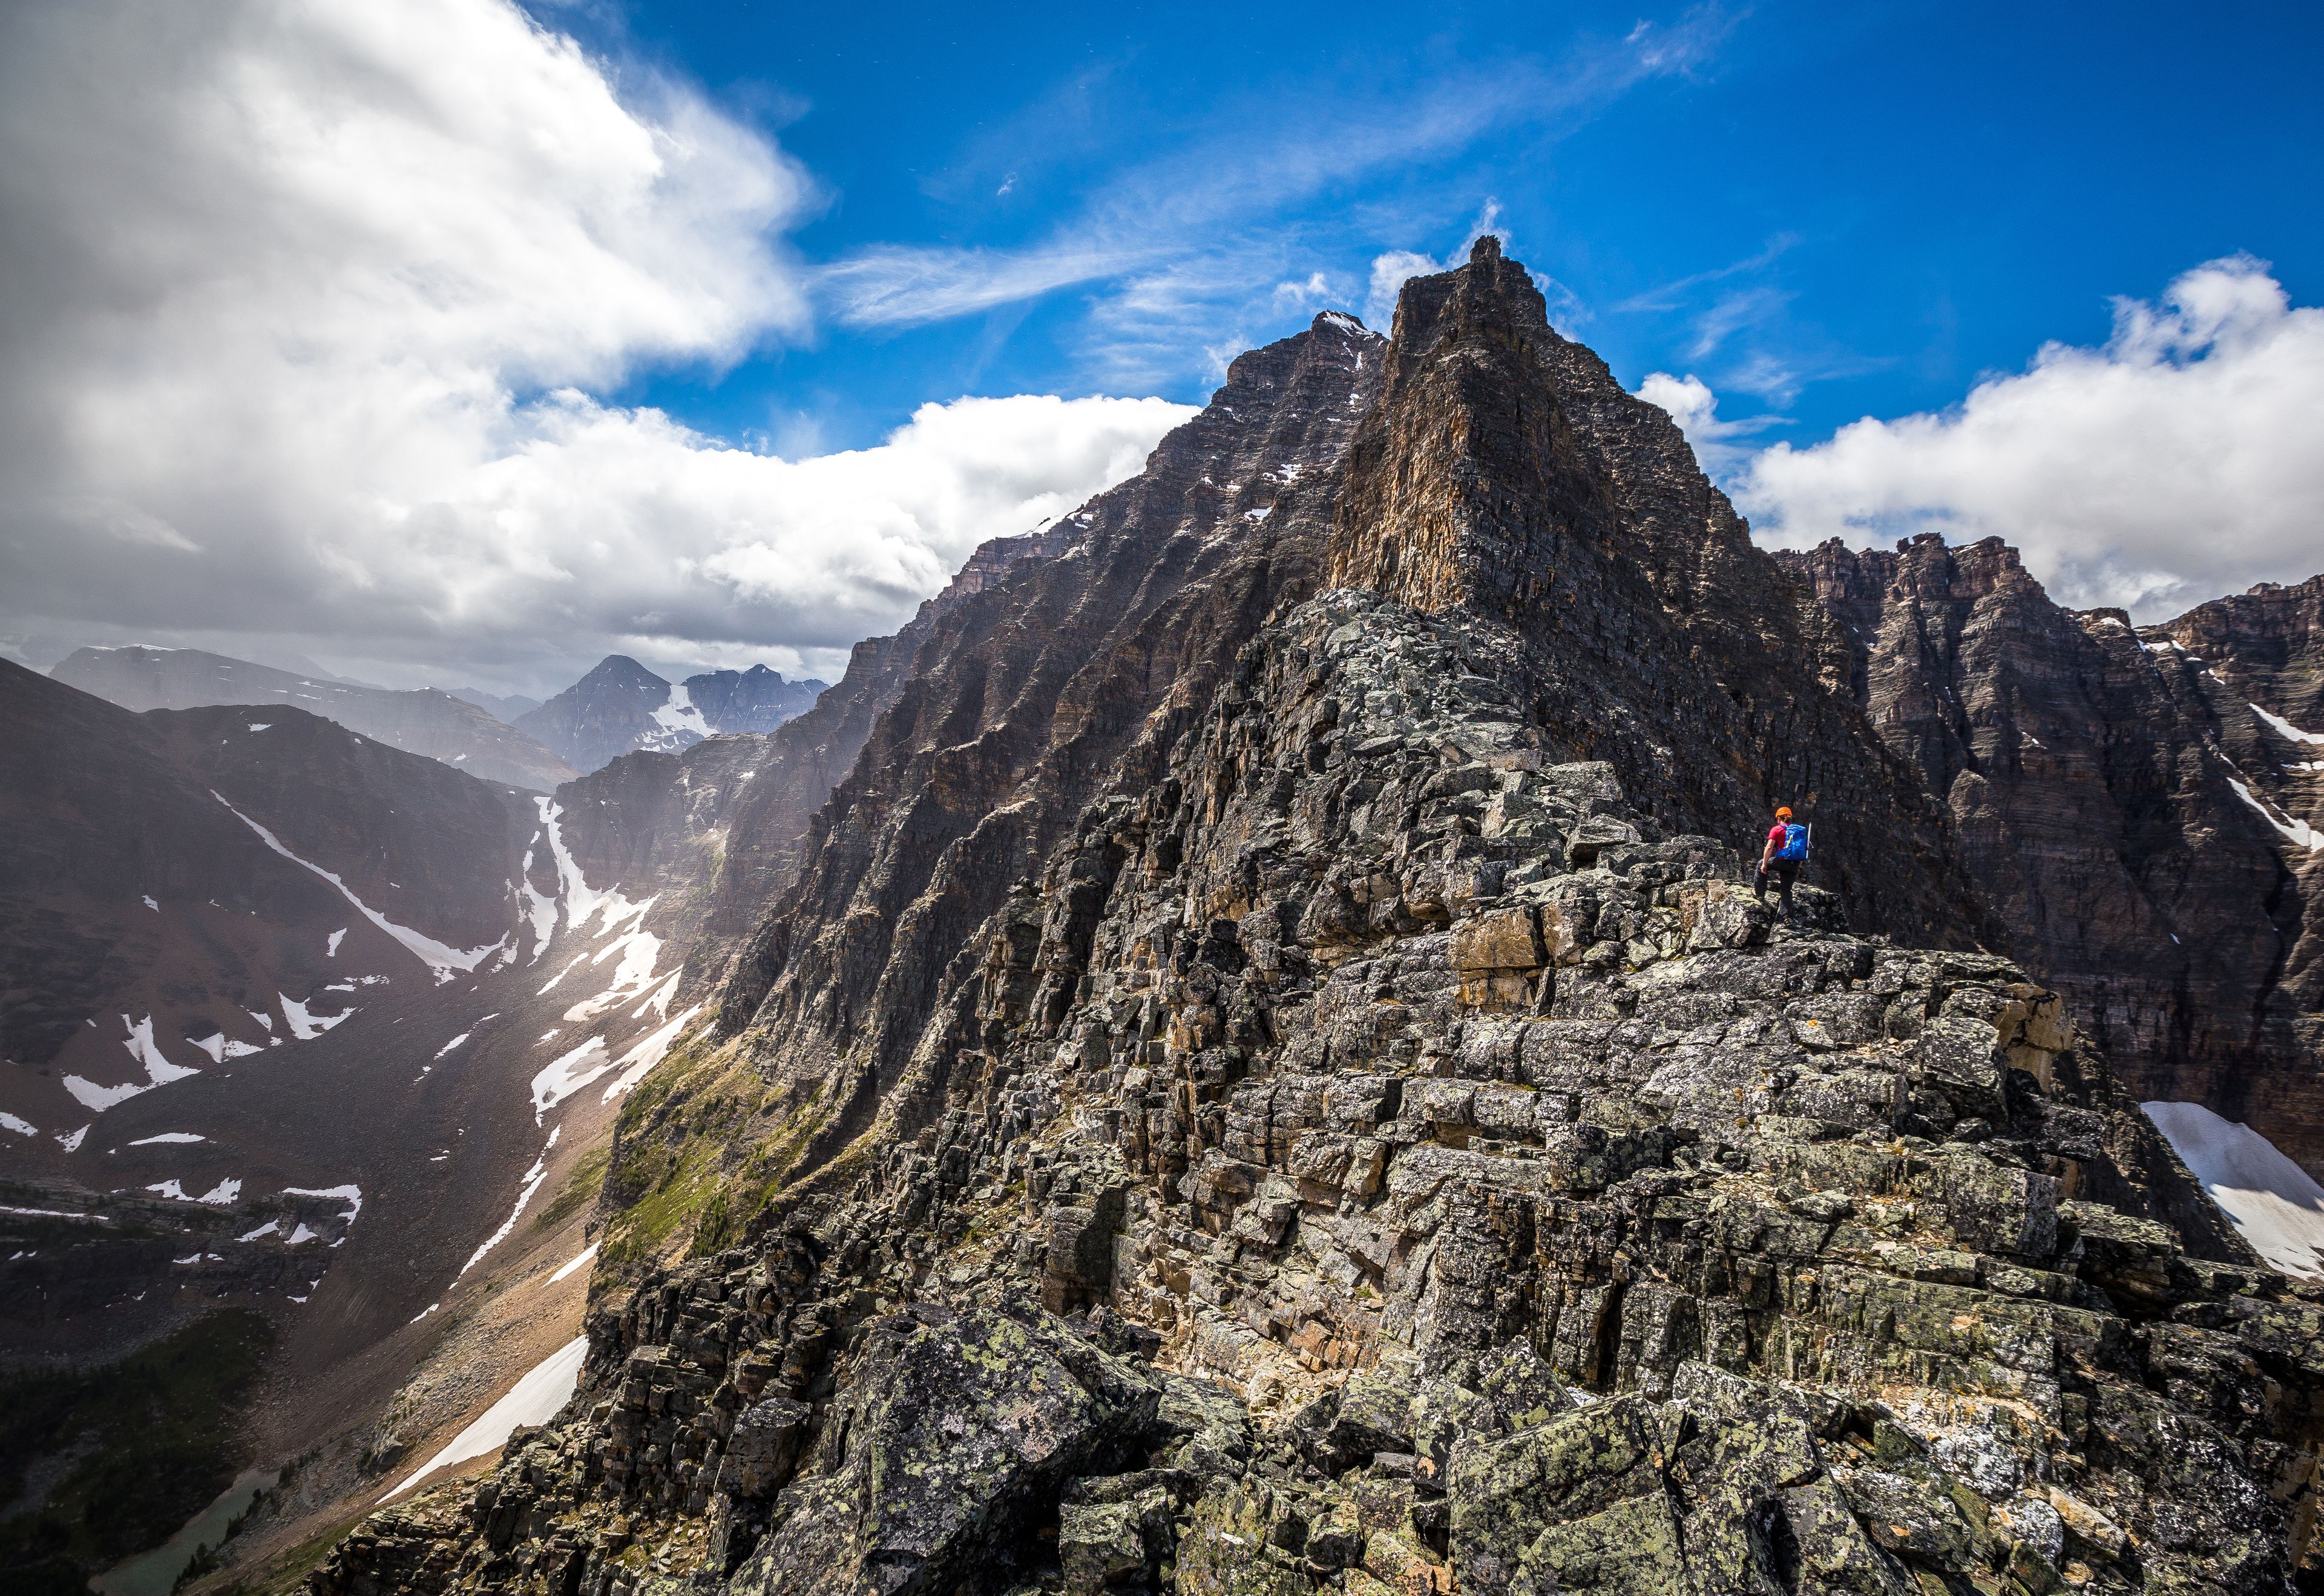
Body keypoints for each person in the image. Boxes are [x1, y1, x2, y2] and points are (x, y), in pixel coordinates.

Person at [1756, 806, 1810, 913]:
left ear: (1779, 818)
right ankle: (1786, 917)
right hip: (1794, 864)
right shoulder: (1798, 831)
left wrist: (1764, 864)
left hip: (1781, 861)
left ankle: (1760, 895)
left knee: (1760, 864)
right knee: (1786, 890)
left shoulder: (1777, 829)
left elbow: (1770, 847)